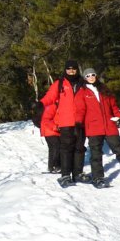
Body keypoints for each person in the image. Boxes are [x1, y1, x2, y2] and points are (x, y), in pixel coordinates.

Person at [40, 59, 89, 187]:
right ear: (65, 70)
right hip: (66, 122)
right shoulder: (60, 83)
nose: (71, 71)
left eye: (73, 68)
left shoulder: (83, 83)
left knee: (79, 148)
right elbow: (50, 96)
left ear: (77, 69)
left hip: (81, 122)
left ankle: (78, 174)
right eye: (69, 69)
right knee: (66, 148)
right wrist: (40, 104)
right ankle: (65, 175)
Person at [74, 67, 120, 188]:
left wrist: (119, 117)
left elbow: (113, 106)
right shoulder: (82, 92)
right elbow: (80, 110)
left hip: (109, 126)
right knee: (96, 154)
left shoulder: (104, 89)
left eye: (92, 75)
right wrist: (78, 123)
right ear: (84, 78)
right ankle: (98, 178)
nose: (91, 77)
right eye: (88, 76)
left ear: (96, 76)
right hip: (94, 127)